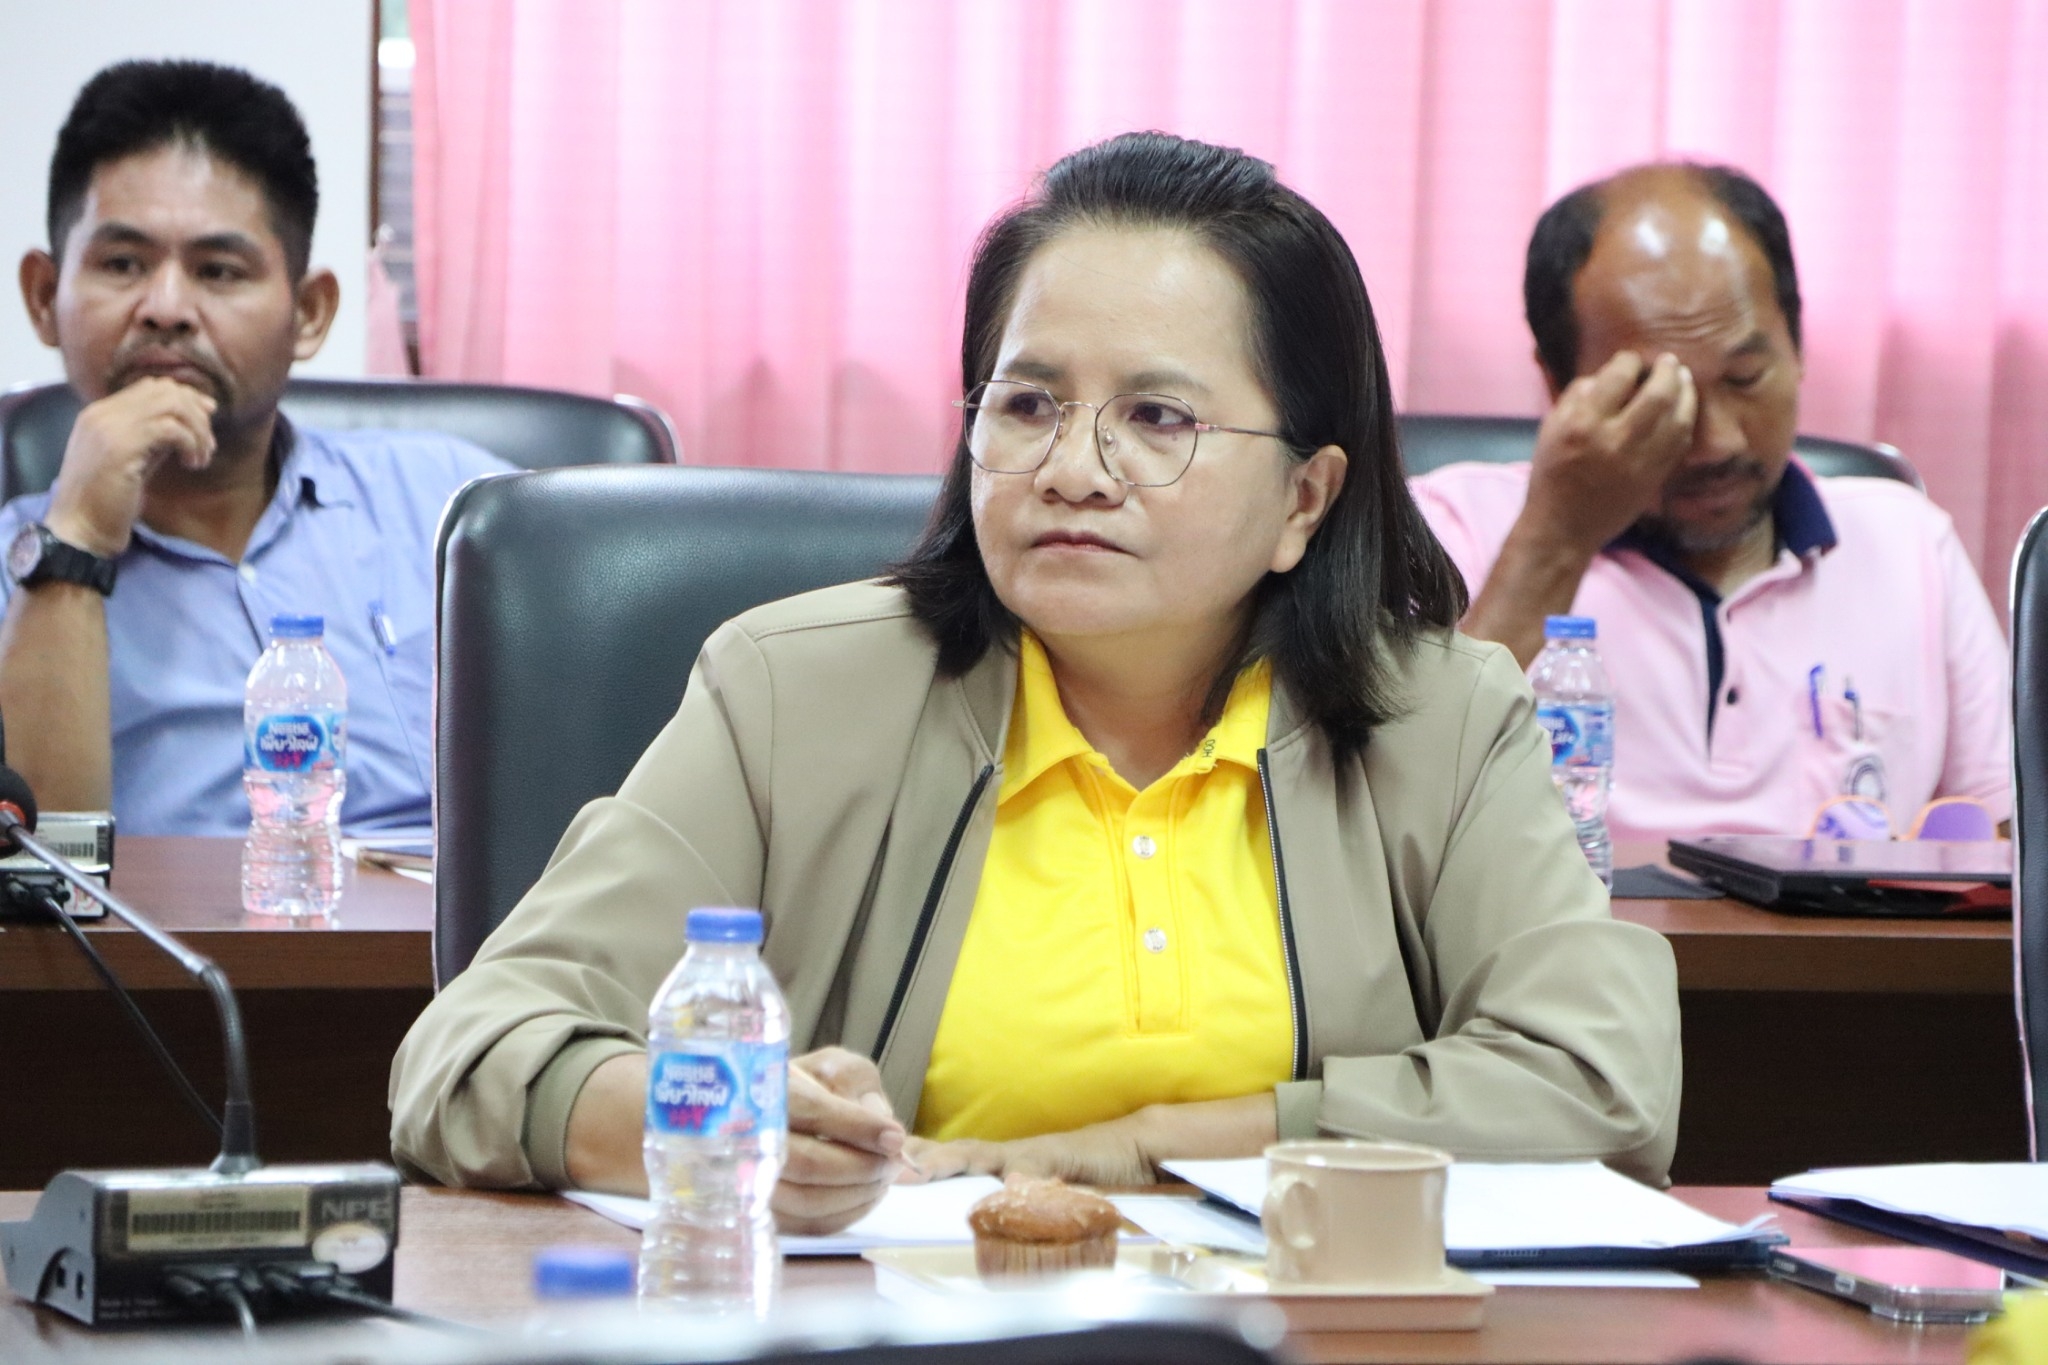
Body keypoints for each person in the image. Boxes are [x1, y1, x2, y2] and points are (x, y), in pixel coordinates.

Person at [390, 133, 1681, 1232]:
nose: (1070, 469)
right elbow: (468, 1051)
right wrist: (725, 1122)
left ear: (1304, 498)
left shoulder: (1441, 719)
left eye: (1157, 419)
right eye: (1026, 406)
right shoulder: (793, 696)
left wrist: (1153, 1144)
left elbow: (1603, 1087)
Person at [1411, 163, 2010, 843]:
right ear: (1558, 383)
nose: (1717, 441)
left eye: (1745, 378)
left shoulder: (1910, 543)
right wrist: (1559, 538)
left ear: (1797, 345)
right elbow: (1397, 811)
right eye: (1661, 396)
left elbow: (2008, 845)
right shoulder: (1448, 527)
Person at [0, 60, 508, 836]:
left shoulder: (458, 504)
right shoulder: (16, 573)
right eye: (123, 264)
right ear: (44, 297)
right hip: (159, 922)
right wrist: (74, 542)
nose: (166, 308)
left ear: (309, 312)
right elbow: (45, 877)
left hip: (467, 916)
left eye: (219, 270)